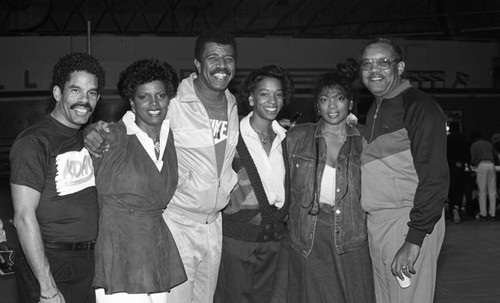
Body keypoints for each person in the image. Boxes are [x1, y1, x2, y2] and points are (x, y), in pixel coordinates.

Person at [84, 30, 239, 303]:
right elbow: (134, 121)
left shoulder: (232, 103)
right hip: (176, 223)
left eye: (228, 58)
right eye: (213, 57)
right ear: (198, 64)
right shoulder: (175, 100)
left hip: (214, 223)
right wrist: (91, 130)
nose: (221, 64)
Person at [359, 38, 449, 303]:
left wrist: (414, 239)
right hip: (379, 223)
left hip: (407, 221)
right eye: (367, 63)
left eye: (383, 62)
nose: (374, 69)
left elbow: (435, 178)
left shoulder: (419, 107)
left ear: (399, 68)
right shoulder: (376, 109)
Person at [10, 52, 105, 303]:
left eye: (92, 93)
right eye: (75, 90)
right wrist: (47, 286)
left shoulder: (85, 137)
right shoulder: (34, 142)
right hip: (48, 260)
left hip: (87, 263)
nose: (84, 100)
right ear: (57, 93)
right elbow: (23, 217)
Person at [92, 59, 187, 302]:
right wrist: (87, 133)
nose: (154, 103)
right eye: (144, 97)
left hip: (155, 246)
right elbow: (81, 142)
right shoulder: (112, 135)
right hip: (119, 249)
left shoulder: (169, 139)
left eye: (161, 95)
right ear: (132, 103)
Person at [285, 60, 375, 303]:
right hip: (307, 236)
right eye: (325, 99)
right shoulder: (297, 137)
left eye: (339, 98)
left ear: (351, 103)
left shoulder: (366, 140)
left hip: (352, 235)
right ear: (317, 105)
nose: (332, 106)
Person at [214, 65, 293, 303]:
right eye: (264, 93)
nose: (272, 100)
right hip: (237, 241)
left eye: (278, 94)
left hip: (275, 242)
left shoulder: (287, 138)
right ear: (250, 98)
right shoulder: (229, 133)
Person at [470, 131, 497, 220]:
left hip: (482, 165)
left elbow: (473, 158)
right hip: (491, 165)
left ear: (474, 138)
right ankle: (492, 213)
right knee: (492, 191)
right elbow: (494, 154)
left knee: (482, 191)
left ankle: (483, 213)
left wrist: (474, 164)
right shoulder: (489, 144)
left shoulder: (474, 145)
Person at [447, 122, 468, 224]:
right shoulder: (463, 139)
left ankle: (452, 209)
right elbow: (468, 153)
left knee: (451, 188)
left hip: (449, 166)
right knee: (460, 189)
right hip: (460, 166)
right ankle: (457, 206)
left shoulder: (447, 139)